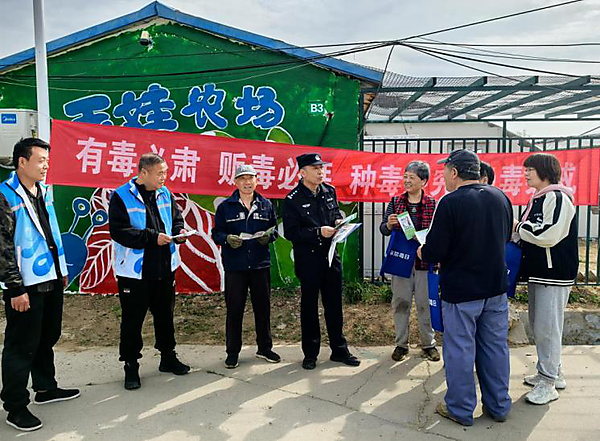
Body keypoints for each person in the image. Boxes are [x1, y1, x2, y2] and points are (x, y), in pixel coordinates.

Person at [417, 149, 513, 426]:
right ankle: (499, 406)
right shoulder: (500, 197)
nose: (444, 176)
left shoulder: (450, 202)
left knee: (459, 349)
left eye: (445, 171)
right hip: (495, 288)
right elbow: (506, 236)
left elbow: (436, 250)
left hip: (461, 291)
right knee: (495, 348)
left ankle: (460, 408)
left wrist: (424, 252)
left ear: (455, 172)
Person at [0, 138, 80, 432]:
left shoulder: (43, 191)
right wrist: (15, 288)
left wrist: (61, 269)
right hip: (25, 284)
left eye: (47, 160)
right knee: (21, 345)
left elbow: (51, 232)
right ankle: (15, 406)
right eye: (41, 160)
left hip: (50, 276)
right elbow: (3, 247)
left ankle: (45, 387)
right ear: (22, 162)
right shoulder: (5, 196)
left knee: (47, 335)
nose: (46, 166)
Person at [109, 153, 190, 391]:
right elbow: (119, 231)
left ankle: (168, 357)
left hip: (165, 267)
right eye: (160, 173)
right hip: (134, 272)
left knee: (165, 315)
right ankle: (131, 365)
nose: (164, 177)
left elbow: (176, 219)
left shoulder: (165, 193)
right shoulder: (121, 196)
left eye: (165, 172)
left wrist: (180, 232)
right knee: (132, 320)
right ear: (143, 173)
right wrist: (153, 237)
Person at [282, 153, 360, 370]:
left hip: (331, 256)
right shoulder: (292, 199)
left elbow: (333, 216)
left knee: (334, 305)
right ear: (302, 172)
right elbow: (291, 232)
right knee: (309, 307)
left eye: (321, 168)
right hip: (308, 259)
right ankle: (310, 354)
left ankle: (339, 350)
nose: (320, 172)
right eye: (315, 168)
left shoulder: (329, 191)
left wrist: (338, 222)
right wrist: (317, 232)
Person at [514, 153, 577, 405]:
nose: (526, 173)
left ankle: (548, 383)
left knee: (547, 328)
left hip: (554, 274)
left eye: (530, 169)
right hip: (540, 272)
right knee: (540, 325)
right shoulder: (539, 198)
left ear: (545, 171)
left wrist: (518, 227)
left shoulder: (558, 197)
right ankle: (551, 372)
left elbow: (549, 234)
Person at [211, 165, 280, 369]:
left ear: (257, 180)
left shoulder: (266, 204)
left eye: (251, 178)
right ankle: (232, 352)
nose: (247, 182)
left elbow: (274, 230)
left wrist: (269, 237)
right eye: (242, 179)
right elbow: (217, 233)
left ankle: (265, 348)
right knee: (235, 309)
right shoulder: (226, 207)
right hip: (236, 266)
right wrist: (227, 239)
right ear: (235, 182)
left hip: (260, 265)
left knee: (263, 307)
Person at [380, 160, 440, 363]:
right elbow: (383, 229)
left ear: (423, 181)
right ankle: (401, 344)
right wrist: (389, 224)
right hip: (401, 262)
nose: (406, 181)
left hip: (425, 263)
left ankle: (428, 344)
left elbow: (438, 233)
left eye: (411, 177)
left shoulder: (432, 204)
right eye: (405, 177)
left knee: (425, 304)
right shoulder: (396, 201)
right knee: (400, 303)